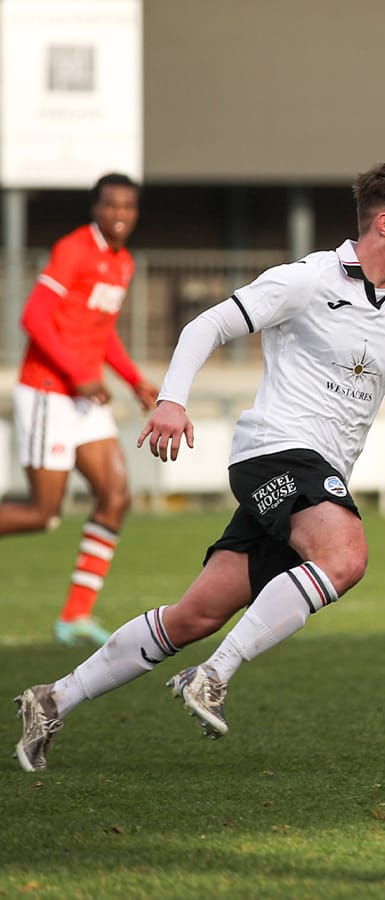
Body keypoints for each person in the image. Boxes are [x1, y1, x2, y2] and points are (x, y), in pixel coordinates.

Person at [13, 161, 385, 773]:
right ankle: (213, 676)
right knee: (345, 556)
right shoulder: (307, 280)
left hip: (315, 473)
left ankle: (52, 699)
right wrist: (171, 399)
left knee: (196, 614)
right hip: (276, 452)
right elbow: (208, 324)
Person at [1, 173, 160, 647]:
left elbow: (101, 330)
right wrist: (79, 374)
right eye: (111, 206)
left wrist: (134, 380)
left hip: (84, 397)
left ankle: (75, 616)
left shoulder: (124, 263)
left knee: (116, 495)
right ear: (95, 208)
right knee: (42, 513)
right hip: (50, 390)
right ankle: (74, 615)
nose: (120, 215)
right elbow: (33, 317)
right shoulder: (73, 249)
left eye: (128, 208)